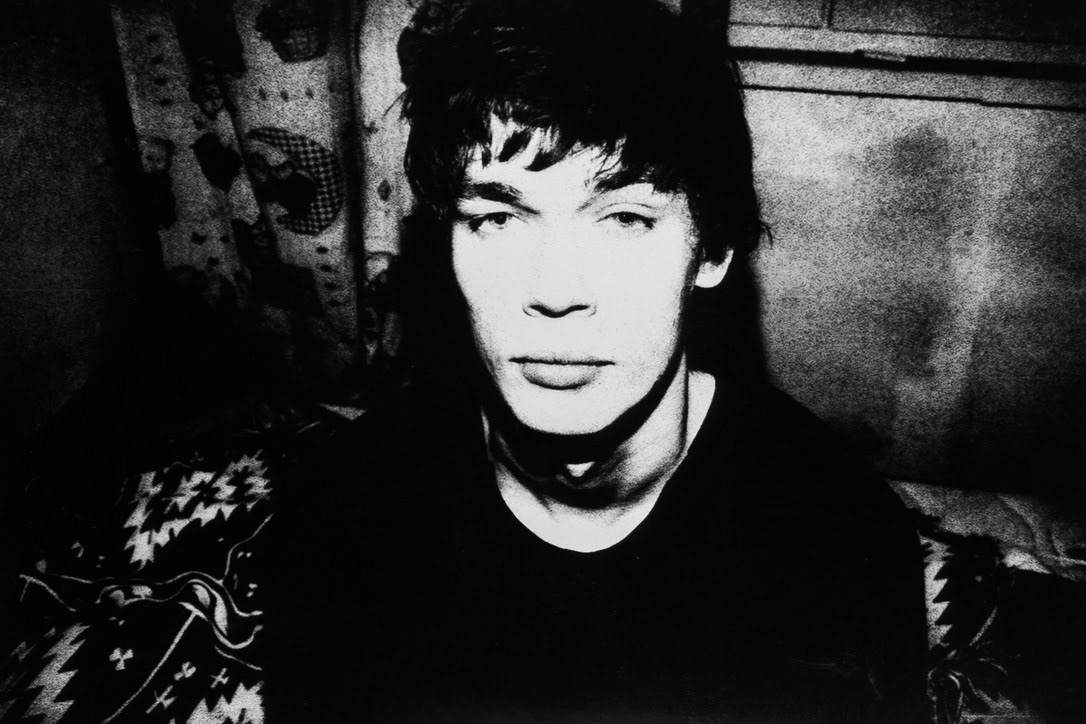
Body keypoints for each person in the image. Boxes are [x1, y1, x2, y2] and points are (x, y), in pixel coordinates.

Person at [265, 0, 928, 721]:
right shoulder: (342, 513)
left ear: (711, 251)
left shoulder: (838, 543)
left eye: (624, 219)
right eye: (497, 218)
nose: (556, 292)